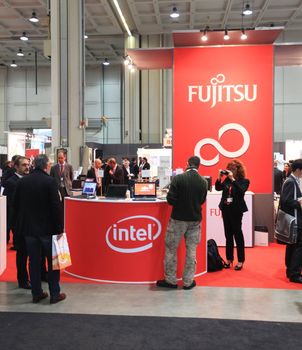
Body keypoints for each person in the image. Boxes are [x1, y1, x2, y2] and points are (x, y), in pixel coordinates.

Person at [13, 154, 66, 304]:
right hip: (48, 230)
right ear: (46, 166)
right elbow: (56, 208)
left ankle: (36, 293)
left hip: (29, 229)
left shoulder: (23, 182)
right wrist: (60, 228)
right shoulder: (50, 182)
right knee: (52, 262)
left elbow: (15, 205)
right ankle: (55, 293)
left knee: (34, 262)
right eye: (49, 164)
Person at [156, 156, 208, 290]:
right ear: (198, 166)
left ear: (187, 164)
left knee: (171, 249)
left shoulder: (178, 178)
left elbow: (170, 200)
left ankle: (171, 280)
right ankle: (188, 281)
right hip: (195, 220)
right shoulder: (203, 182)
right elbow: (202, 200)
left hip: (178, 219)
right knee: (191, 250)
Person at [215, 159, 250, 271]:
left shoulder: (244, 181)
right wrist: (220, 177)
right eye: (229, 169)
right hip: (226, 209)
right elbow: (218, 188)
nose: (230, 171)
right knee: (228, 235)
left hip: (236, 211)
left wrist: (233, 179)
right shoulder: (226, 181)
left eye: (233, 168)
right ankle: (229, 259)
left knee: (238, 235)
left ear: (238, 170)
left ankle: (240, 260)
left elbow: (241, 191)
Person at [3, 156, 31, 289]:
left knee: (31, 253)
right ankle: (23, 280)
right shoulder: (11, 182)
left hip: (30, 223)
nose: (27, 167)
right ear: (16, 167)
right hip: (19, 224)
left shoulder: (28, 180)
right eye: (24, 165)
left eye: (28, 165)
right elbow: (12, 206)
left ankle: (33, 277)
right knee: (22, 254)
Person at [280, 159, 302, 283]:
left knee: (293, 245)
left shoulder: (293, 180)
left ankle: (291, 271)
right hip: (295, 220)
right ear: (298, 170)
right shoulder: (291, 182)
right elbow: (285, 201)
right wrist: (298, 202)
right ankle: (294, 273)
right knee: (297, 245)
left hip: (295, 219)